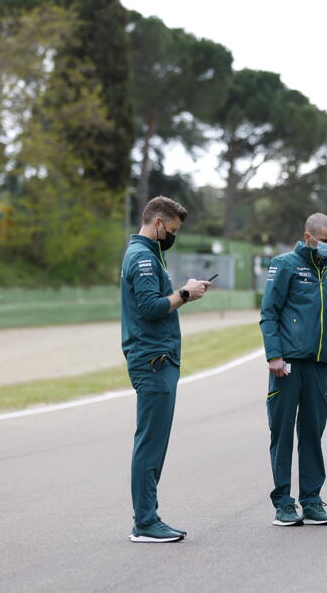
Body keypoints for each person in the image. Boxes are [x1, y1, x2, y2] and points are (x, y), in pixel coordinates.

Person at [121, 196, 213, 543]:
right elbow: (149, 308)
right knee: (150, 442)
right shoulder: (143, 256)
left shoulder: (148, 254)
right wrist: (185, 294)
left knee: (154, 441)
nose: (172, 236)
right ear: (158, 223)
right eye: (171, 230)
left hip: (158, 357)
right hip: (152, 359)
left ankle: (148, 517)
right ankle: (144, 521)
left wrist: (184, 292)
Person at [259, 213, 327, 527]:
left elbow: (325, 327)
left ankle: (312, 500)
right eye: (325, 240)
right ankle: (283, 503)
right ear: (308, 237)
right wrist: (274, 354)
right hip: (286, 366)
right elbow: (269, 312)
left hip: (317, 367)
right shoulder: (285, 264)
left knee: (312, 434)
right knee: (282, 433)